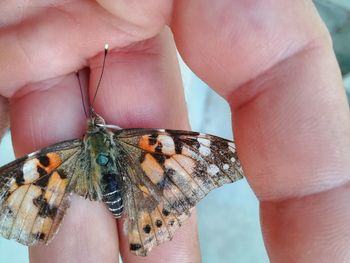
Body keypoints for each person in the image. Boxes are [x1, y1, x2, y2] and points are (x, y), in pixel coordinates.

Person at [0, 1, 349, 262]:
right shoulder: (140, 143)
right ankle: (145, 221)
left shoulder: (62, 156)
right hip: (139, 182)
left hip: (87, 179)